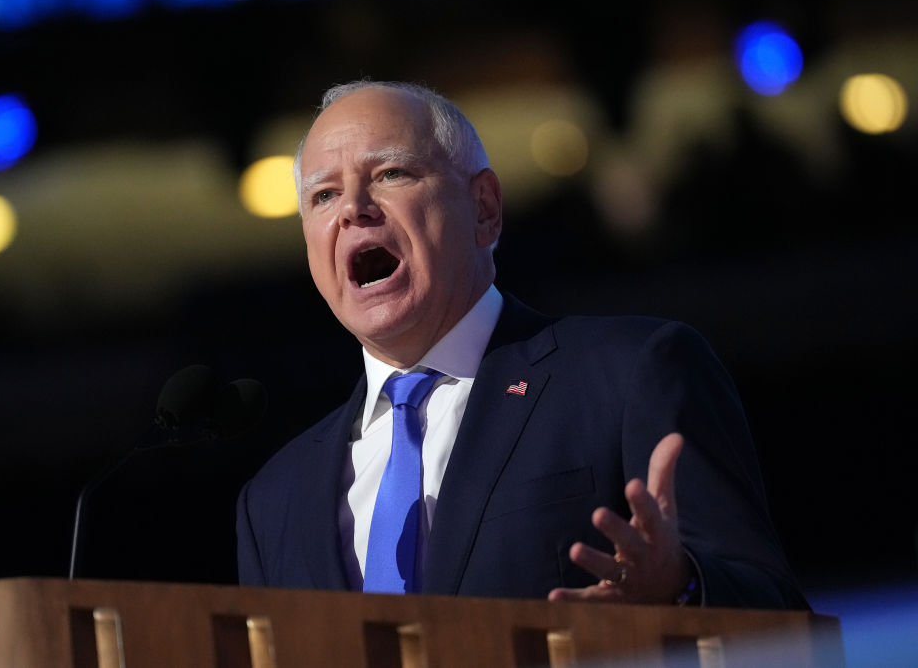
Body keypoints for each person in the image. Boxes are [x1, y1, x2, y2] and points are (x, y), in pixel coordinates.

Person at [236, 80, 808, 608]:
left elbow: (778, 615)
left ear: (483, 210)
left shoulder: (630, 375)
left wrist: (680, 588)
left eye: (390, 174)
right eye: (323, 196)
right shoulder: (275, 501)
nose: (354, 210)